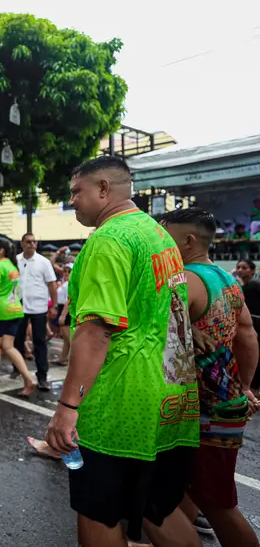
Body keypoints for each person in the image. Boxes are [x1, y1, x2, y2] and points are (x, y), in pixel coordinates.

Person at [45, 156, 201, 547]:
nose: (72, 201)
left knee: (99, 513)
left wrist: (67, 409)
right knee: (156, 511)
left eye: (76, 192)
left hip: (119, 407)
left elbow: (96, 331)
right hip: (171, 400)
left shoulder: (109, 239)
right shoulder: (158, 235)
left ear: (103, 189)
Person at [159, 208, 260, 547]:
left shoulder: (183, 280)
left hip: (203, 408)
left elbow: (151, 328)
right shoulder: (228, 279)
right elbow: (247, 336)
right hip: (223, 401)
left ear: (188, 240)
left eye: (165, 236)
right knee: (183, 490)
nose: (159, 243)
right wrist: (244, 387)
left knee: (219, 506)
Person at [0, 237, 35, 396]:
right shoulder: (13, 266)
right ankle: (28, 378)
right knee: (9, 347)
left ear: (1, 250)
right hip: (15, 310)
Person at [14, 233, 58, 390]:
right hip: (19, 306)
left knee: (40, 342)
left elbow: (52, 284)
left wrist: (54, 306)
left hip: (38, 307)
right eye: (28, 242)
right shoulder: (16, 260)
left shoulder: (43, 262)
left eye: (34, 242)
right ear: (22, 244)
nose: (32, 244)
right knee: (17, 340)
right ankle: (18, 369)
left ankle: (42, 376)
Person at [52, 263, 72, 367]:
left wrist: (63, 315)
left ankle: (79, 363)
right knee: (66, 339)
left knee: (70, 339)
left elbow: (69, 300)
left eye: (69, 271)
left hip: (65, 310)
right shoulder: (66, 283)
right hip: (63, 309)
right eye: (65, 271)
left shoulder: (70, 284)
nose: (66, 273)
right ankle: (63, 358)